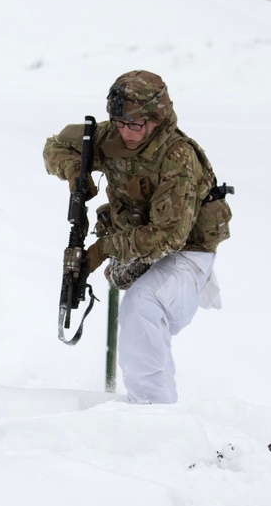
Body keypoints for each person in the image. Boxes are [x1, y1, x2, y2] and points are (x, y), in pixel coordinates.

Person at [43, 70, 232, 404]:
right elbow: (55, 145)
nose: (126, 133)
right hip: (134, 241)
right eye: (119, 123)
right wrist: (75, 173)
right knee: (137, 308)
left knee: (143, 305)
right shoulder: (111, 135)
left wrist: (103, 249)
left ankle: (153, 409)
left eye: (135, 125)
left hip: (187, 252)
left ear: (157, 118)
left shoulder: (177, 157)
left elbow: (167, 238)